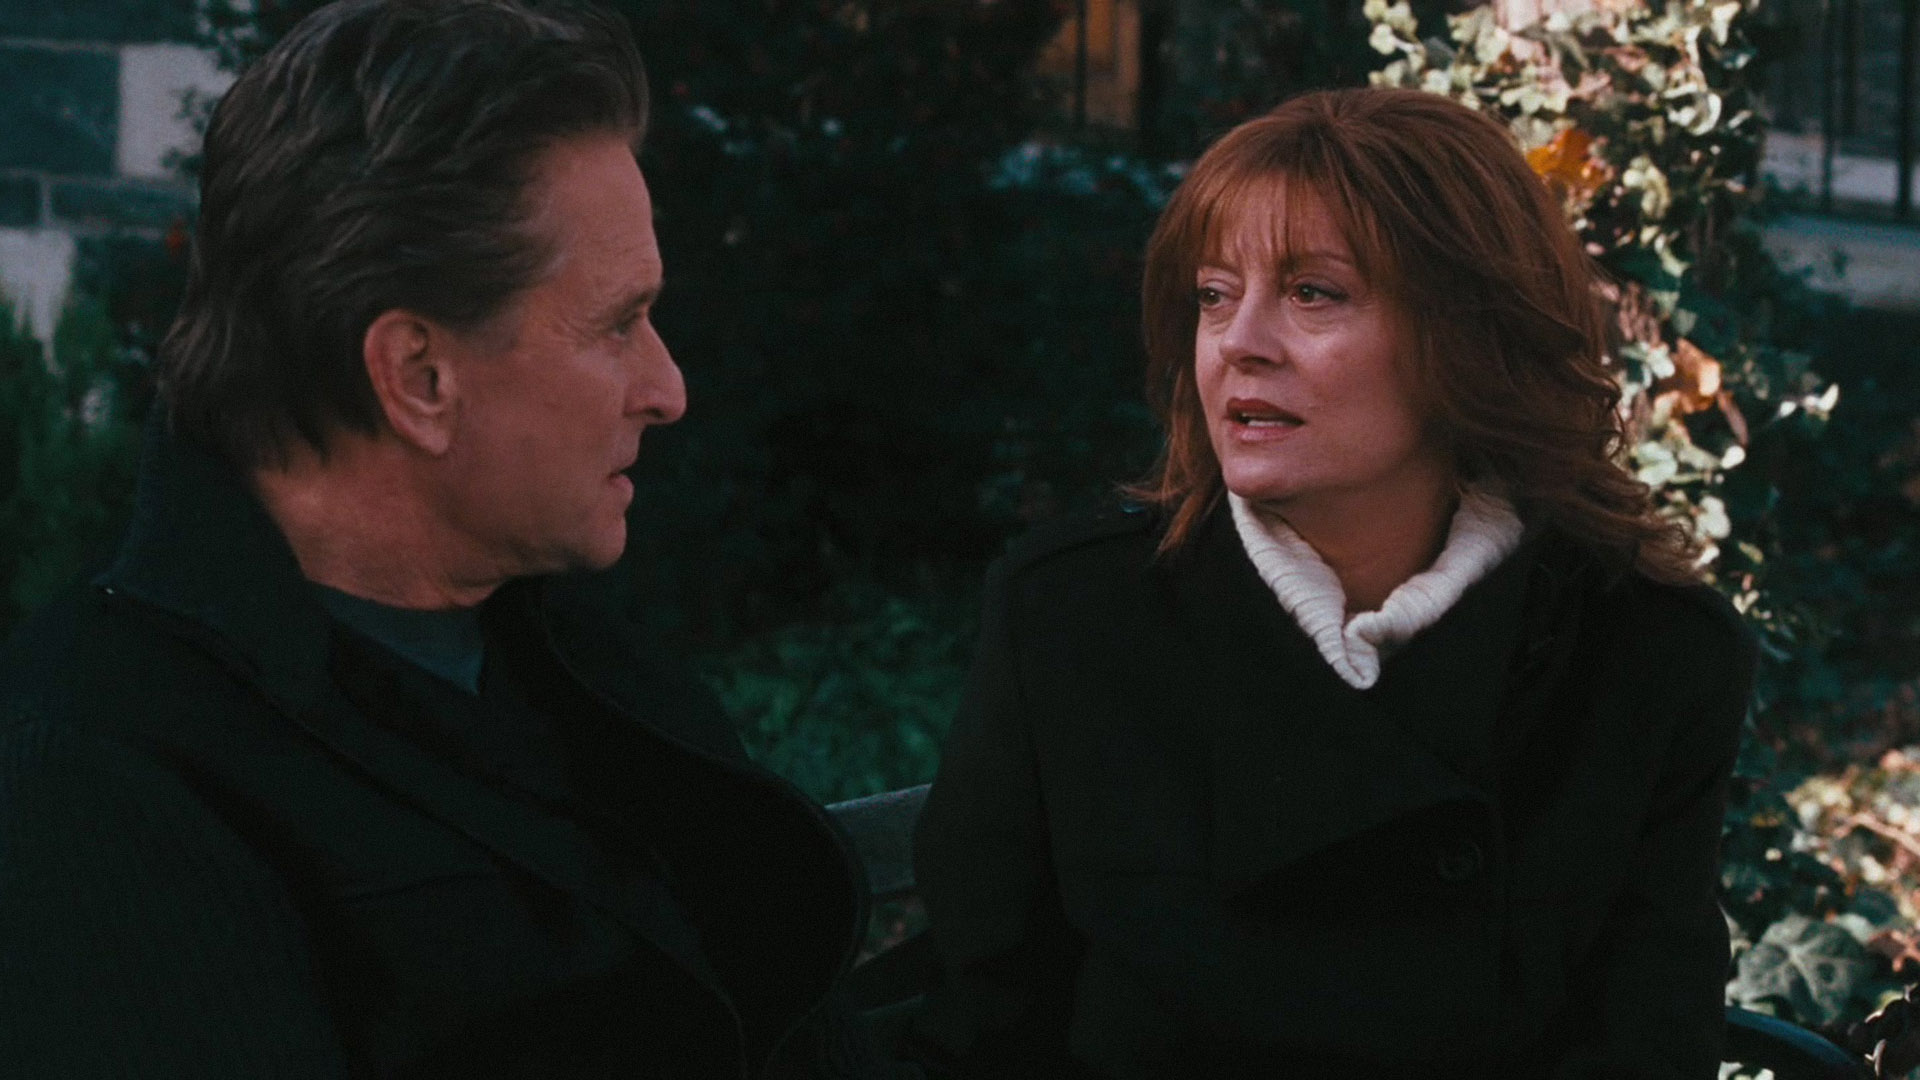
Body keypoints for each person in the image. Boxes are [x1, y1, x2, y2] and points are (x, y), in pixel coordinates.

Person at [0, 2, 898, 1076]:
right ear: (419, 378)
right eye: (617, 324)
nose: (668, 389)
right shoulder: (94, 781)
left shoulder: (575, 662)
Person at [908, 87, 1757, 1079]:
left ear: (1468, 335)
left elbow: (1650, 1043)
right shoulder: (1071, 619)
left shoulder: (1648, 651)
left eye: (1313, 293)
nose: (1240, 341)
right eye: (1214, 295)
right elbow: (982, 1032)